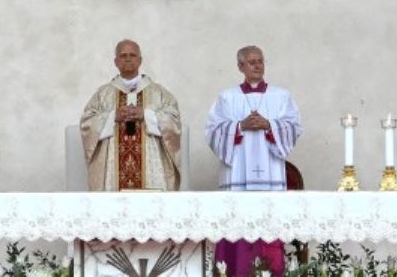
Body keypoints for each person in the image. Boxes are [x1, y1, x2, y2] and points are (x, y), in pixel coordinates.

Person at [205, 45, 301, 277]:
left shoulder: (281, 96)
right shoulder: (227, 98)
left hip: (270, 177)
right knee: (236, 228)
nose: (258, 65)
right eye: (252, 62)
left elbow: (294, 126)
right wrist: (240, 126)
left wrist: (270, 125)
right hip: (237, 179)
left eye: (260, 61)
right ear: (241, 67)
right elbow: (212, 131)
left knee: (269, 231)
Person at [80, 38, 184, 190]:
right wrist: (112, 117)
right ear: (116, 62)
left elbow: (174, 121)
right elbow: (86, 123)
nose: (128, 58)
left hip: (151, 172)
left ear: (140, 60)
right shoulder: (103, 94)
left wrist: (146, 115)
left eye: (132, 55)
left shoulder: (159, 93)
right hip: (113, 175)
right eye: (123, 55)